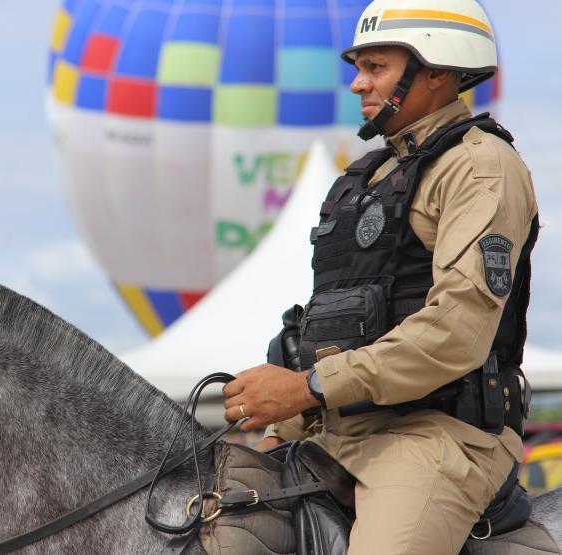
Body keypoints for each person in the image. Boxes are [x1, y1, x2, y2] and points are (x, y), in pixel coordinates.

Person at [220, 0, 539, 553]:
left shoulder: (479, 165)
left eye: (375, 67)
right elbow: (335, 320)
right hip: (331, 433)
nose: (357, 84)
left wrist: (303, 388)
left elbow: (456, 332)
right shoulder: (366, 176)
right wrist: (281, 428)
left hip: (435, 438)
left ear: (436, 71)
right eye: (358, 68)